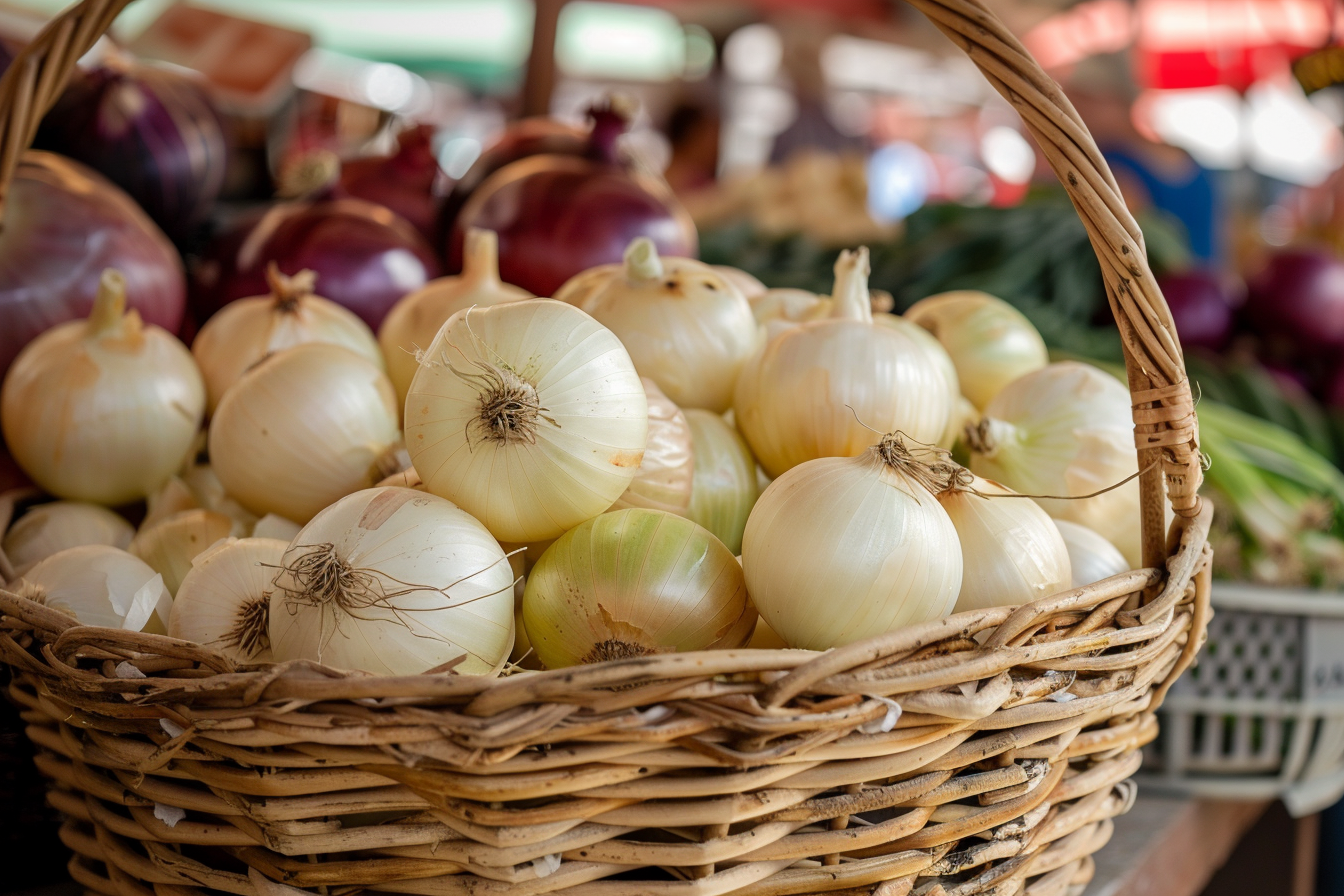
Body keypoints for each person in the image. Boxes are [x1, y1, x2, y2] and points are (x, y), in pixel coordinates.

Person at [1067, 53, 1222, 262]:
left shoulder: (1112, 165)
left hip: (1158, 292)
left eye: (1081, 103)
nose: (1075, 115)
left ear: (1112, 100)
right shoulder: (1188, 159)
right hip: (1204, 291)